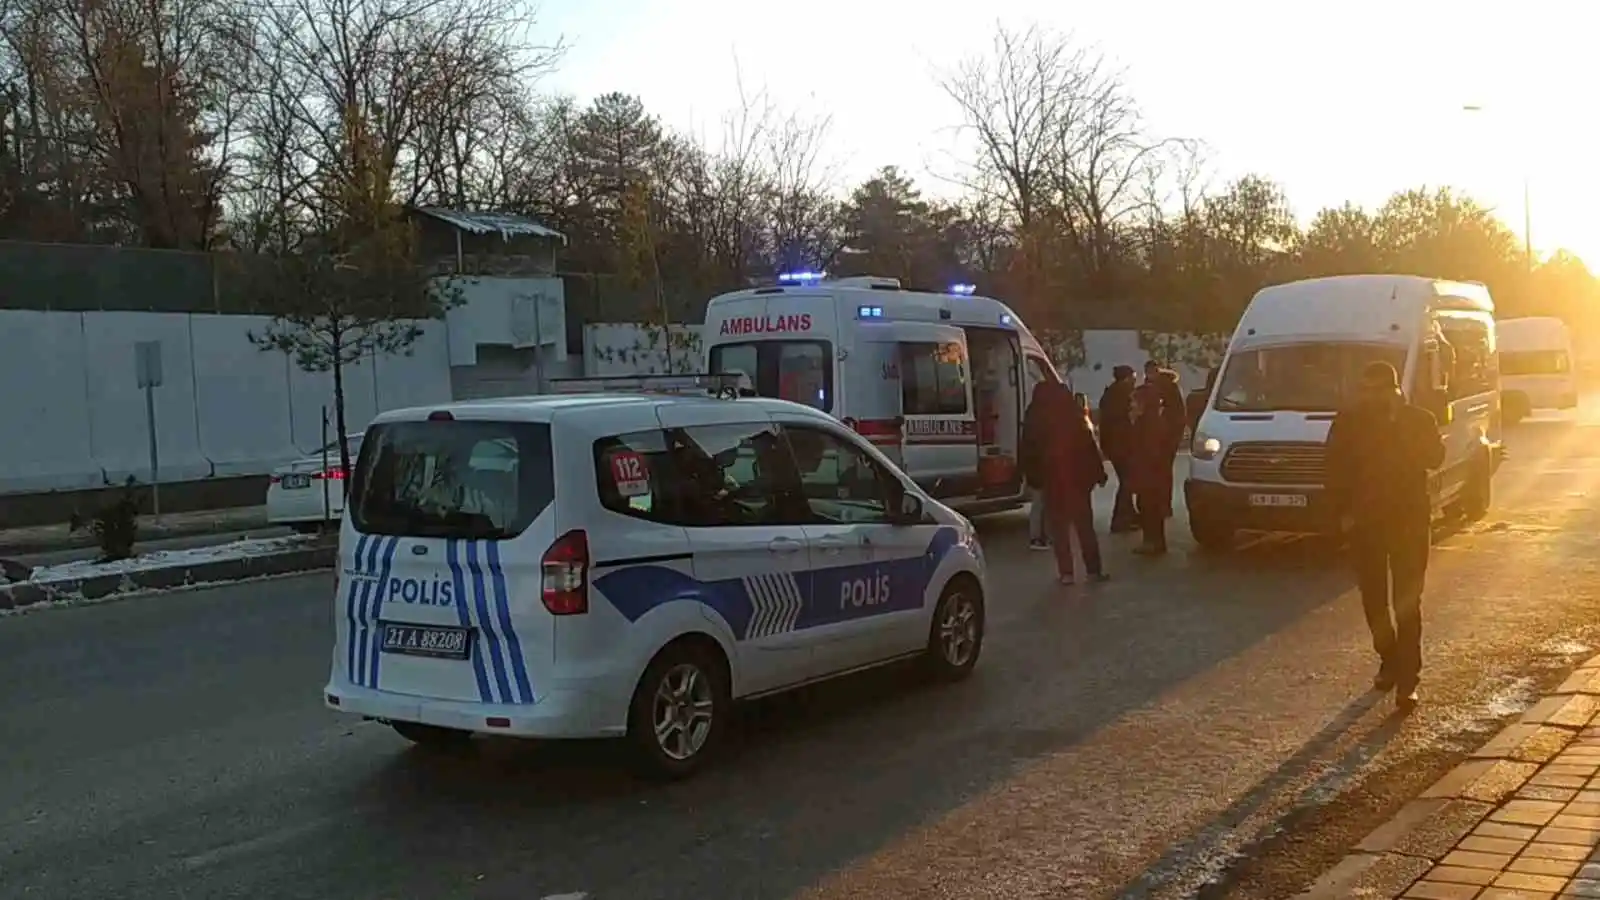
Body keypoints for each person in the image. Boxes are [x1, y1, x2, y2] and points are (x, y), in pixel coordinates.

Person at [1325, 361, 1444, 712]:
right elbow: (1333, 469)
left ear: (1395, 390)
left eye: (1380, 390)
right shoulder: (1348, 423)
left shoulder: (1418, 419)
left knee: (1408, 602)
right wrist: (1342, 517)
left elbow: (1434, 457)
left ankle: (1408, 681)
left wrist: (1398, 423)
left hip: (1409, 522)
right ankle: (1389, 657)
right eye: (1367, 391)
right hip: (1366, 524)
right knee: (1374, 601)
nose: (1373, 397)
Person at [1021, 382, 1109, 585]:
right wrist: (1099, 474)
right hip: (1078, 481)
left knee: (1059, 529)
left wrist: (1034, 478)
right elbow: (1089, 447)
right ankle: (1093, 570)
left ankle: (1066, 573)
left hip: (1051, 481)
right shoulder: (1073, 415)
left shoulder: (1034, 417)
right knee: (1084, 526)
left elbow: (1027, 451)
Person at [1128, 375, 1185, 554]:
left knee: (1148, 507)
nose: (1132, 406)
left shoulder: (1147, 424)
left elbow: (1148, 451)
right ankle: (1155, 541)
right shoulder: (1154, 421)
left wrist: (1140, 471)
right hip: (1153, 473)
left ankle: (1152, 541)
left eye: (1135, 402)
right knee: (1150, 507)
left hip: (1149, 474)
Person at [1098, 365, 1138, 532]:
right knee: (1128, 481)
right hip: (1122, 444)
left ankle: (1130, 515)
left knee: (1126, 480)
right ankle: (1120, 520)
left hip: (1112, 444)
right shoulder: (1124, 393)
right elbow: (1127, 418)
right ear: (1128, 377)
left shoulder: (1110, 393)